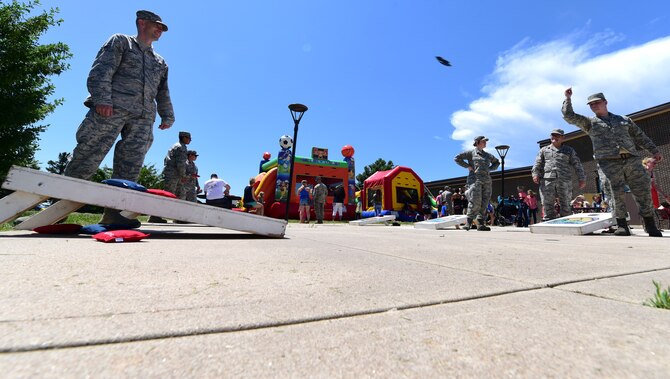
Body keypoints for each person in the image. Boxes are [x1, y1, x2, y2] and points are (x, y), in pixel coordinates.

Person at [63, 10, 174, 227]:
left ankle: (114, 213)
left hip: (142, 117)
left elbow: (163, 91)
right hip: (111, 109)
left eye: (162, 28)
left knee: (130, 166)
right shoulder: (121, 42)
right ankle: (60, 209)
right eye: (156, 25)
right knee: (87, 156)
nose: (160, 30)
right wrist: (102, 99)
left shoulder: (160, 62)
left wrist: (167, 114)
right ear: (141, 23)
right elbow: (101, 71)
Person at [562, 88, 662, 236]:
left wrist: (654, 150)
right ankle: (622, 225)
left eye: (597, 102)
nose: (594, 106)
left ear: (605, 102)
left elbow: (640, 136)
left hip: (632, 160)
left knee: (643, 191)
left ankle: (650, 225)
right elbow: (569, 116)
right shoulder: (590, 122)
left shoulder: (623, 120)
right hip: (608, 163)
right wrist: (568, 99)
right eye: (591, 104)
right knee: (615, 194)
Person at [531, 128, 586, 221]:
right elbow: (537, 163)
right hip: (548, 180)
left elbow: (577, 164)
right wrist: (535, 174)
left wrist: (582, 178)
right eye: (553, 135)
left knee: (566, 201)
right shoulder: (544, 150)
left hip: (564, 179)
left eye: (557, 136)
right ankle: (549, 219)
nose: (554, 137)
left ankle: (565, 220)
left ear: (562, 138)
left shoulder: (569, 150)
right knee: (547, 201)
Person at [454, 136, 500, 231]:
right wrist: (468, 166)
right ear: (477, 142)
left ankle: (480, 224)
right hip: (475, 180)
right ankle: (469, 223)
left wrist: (490, 169)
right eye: (483, 141)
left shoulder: (488, 155)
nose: (485, 143)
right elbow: (457, 158)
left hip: (487, 181)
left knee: (484, 202)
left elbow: (497, 162)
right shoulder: (471, 153)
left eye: (485, 141)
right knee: (475, 201)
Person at [148, 130, 190, 223]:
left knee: (180, 194)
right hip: (174, 175)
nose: (190, 140)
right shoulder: (181, 147)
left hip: (173, 174)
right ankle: (155, 216)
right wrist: (183, 175)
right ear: (184, 138)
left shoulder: (174, 146)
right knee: (167, 195)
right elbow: (181, 163)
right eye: (189, 138)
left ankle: (179, 217)